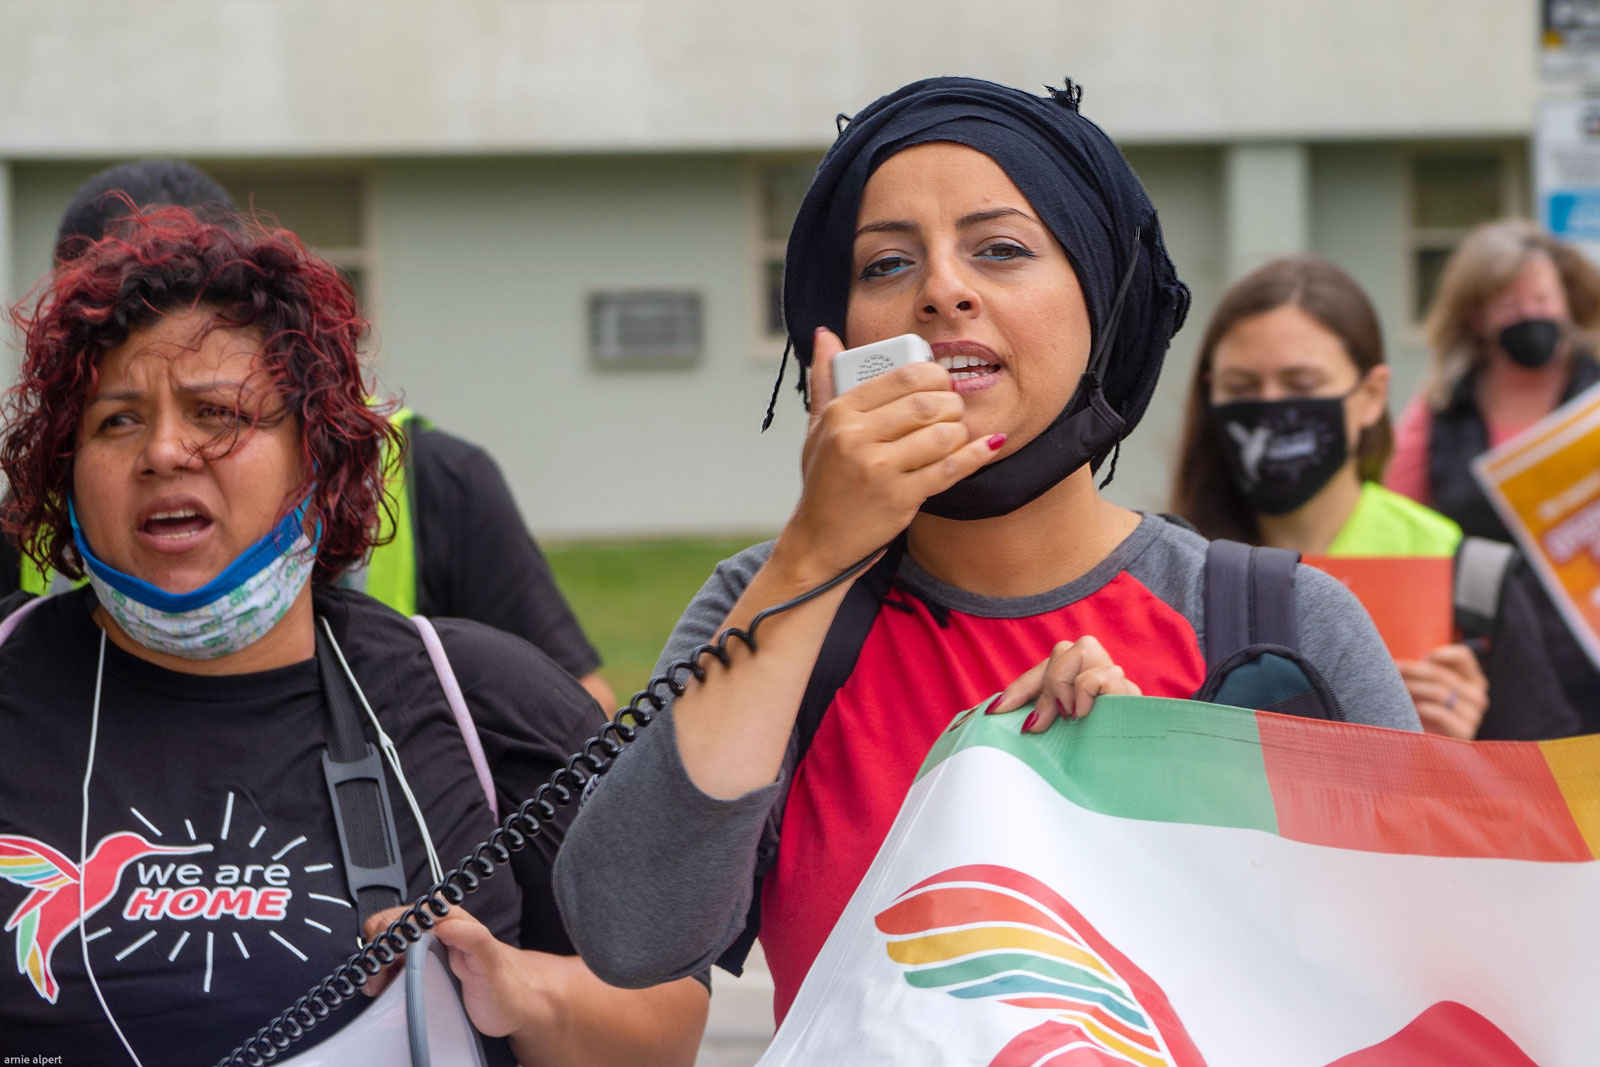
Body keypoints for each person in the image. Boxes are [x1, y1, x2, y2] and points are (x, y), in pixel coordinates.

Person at [552, 77, 1420, 1028]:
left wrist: (1154, 789)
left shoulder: (1282, 622)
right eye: (885, 265)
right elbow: (630, 935)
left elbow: (1406, 985)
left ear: (1101, 301)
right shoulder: (770, 606)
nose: (941, 290)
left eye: (1001, 250)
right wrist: (811, 555)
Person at [0, 209, 707, 1064]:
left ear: (317, 453)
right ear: (64, 468)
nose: (164, 450)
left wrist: (517, 990)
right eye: (116, 420)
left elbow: (664, 1025)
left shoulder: (476, 696)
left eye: (215, 412)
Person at [0, 158, 616, 711]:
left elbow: (571, 714)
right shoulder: (22, 527)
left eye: (216, 410)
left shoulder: (440, 481)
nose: (165, 452)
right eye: (99, 317)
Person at [1170, 255, 1586, 740]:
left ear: (1371, 396)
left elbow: (1549, 789)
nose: (1271, 405)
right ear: (1210, 394)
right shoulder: (1174, 567)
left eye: (1302, 384)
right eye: (1241, 386)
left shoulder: (1463, 575)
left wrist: (1465, 754)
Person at [1386, 219, 1600, 726]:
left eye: (1543, 299)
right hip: (1495, 675)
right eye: (1510, 304)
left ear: (1569, 301)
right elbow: (1401, 532)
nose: (1530, 315)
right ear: (1476, 318)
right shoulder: (1437, 415)